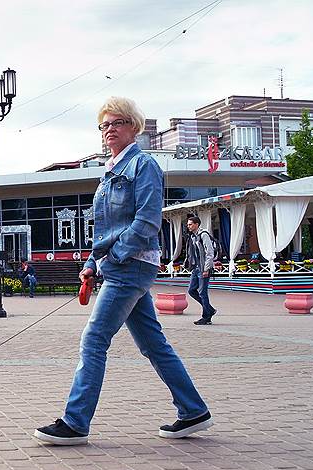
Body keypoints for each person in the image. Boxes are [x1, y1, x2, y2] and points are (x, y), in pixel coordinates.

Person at [35, 97, 212, 446]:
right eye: (104, 125)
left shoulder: (141, 165)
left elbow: (147, 220)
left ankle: (75, 422)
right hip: (121, 264)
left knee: (94, 339)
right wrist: (91, 264)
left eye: (117, 123)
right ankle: (193, 411)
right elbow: (105, 229)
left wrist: (113, 258)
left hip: (130, 266)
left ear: (134, 126)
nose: (109, 130)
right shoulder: (110, 170)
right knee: (153, 344)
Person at [185, 216, 217, 325]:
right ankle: (210, 310)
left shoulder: (204, 235)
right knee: (191, 290)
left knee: (202, 292)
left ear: (196, 224)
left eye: (190, 224)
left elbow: (210, 252)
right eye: (188, 224)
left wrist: (206, 268)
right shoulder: (193, 236)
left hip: (204, 268)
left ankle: (206, 317)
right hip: (196, 268)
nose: (188, 226)